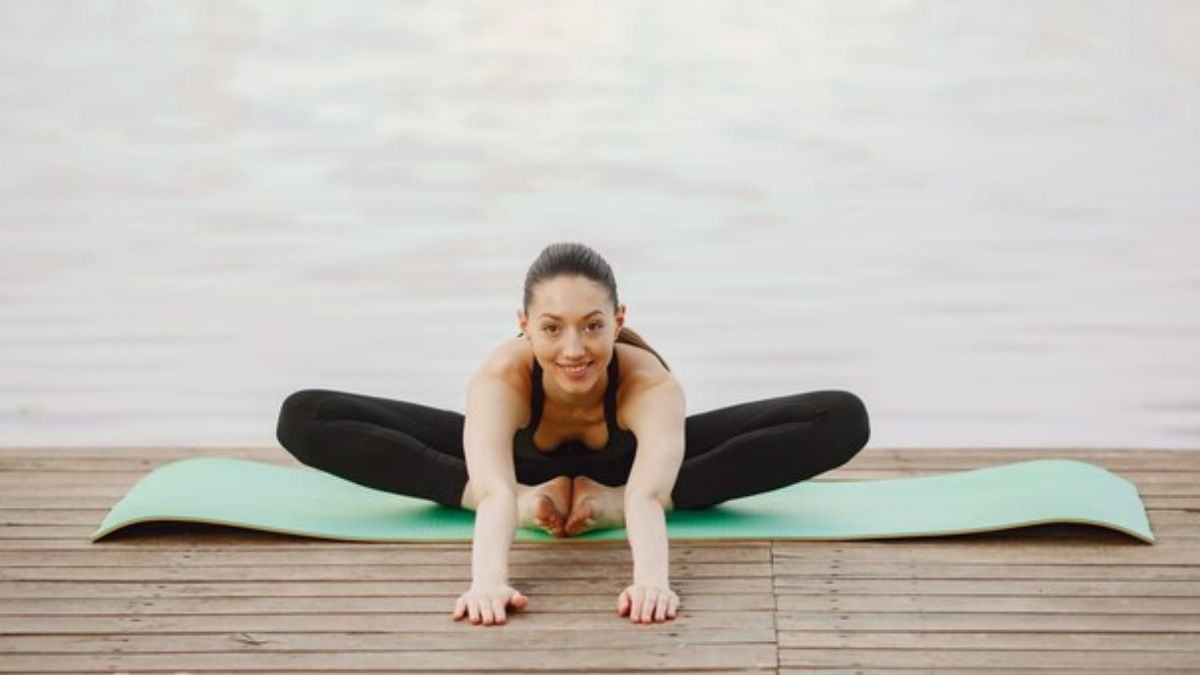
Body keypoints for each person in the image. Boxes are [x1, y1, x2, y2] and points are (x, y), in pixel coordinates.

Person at [275, 241, 870, 627]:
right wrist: (489, 580)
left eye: (592, 326)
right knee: (304, 415)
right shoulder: (501, 376)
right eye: (552, 328)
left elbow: (649, 495)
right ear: (523, 326)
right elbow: (494, 492)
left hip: (627, 472)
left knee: (841, 416)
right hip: (517, 469)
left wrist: (649, 578)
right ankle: (545, 500)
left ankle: (596, 500)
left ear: (619, 320)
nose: (574, 349)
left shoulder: (649, 385)